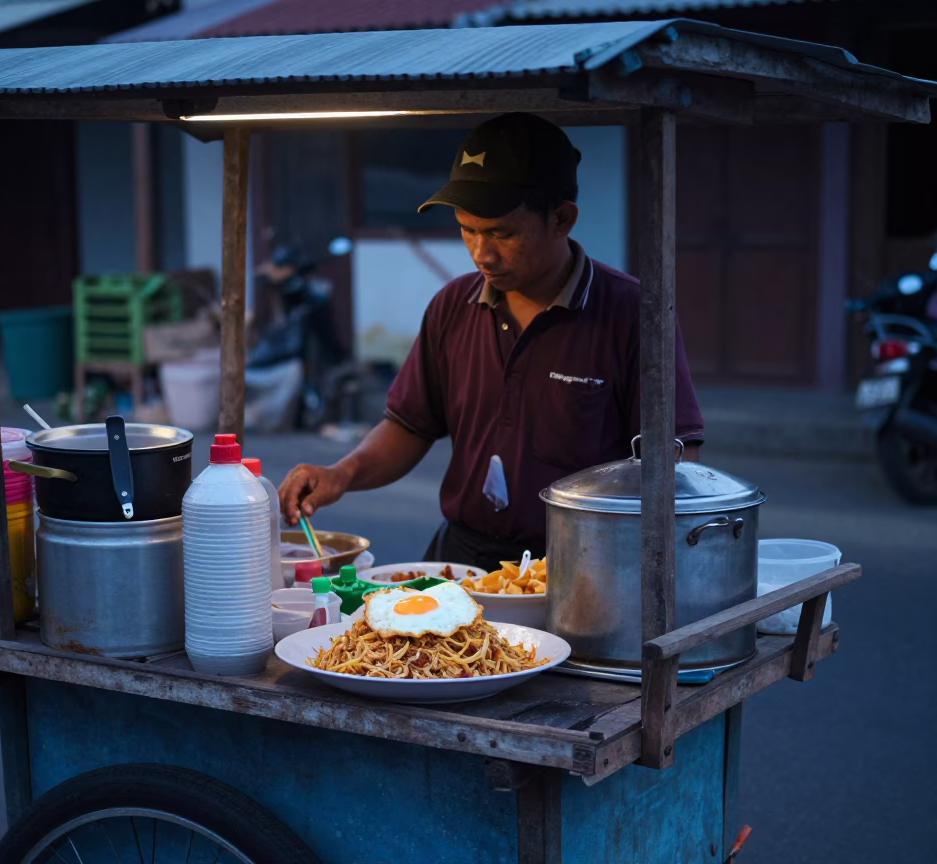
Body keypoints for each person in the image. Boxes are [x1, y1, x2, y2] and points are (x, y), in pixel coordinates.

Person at [277, 113, 704, 573]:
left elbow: (676, 460)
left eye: (502, 233)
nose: (482, 252)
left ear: (562, 219)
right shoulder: (452, 306)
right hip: (462, 559)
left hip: (583, 566)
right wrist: (342, 474)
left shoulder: (634, 313)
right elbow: (410, 425)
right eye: (467, 229)